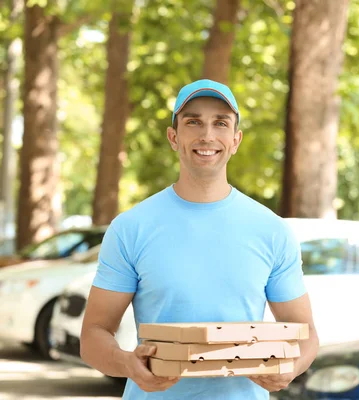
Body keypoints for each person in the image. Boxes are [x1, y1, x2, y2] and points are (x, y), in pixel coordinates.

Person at [80, 79, 319, 399]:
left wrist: (292, 366)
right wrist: (126, 363)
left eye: (220, 123)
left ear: (235, 140)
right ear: (173, 137)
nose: (207, 135)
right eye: (193, 121)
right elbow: (93, 334)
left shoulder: (272, 231)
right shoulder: (130, 228)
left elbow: (305, 332)